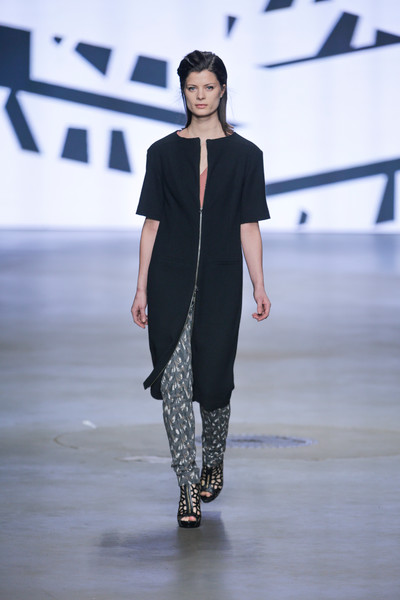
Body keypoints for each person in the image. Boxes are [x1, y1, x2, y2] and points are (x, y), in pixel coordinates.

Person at [131, 50, 271, 528]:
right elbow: (152, 223)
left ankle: (213, 460)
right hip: (168, 280)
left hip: (221, 280)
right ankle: (187, 486)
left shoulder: (247, 155)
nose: (200, 96)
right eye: (192, 88)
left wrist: (259, 284)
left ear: (222, 90)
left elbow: (248, 224)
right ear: (183, 92)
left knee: (213, 383)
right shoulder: (162, 152)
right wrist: (141, 288)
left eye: (208, 87)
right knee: (174, 383)